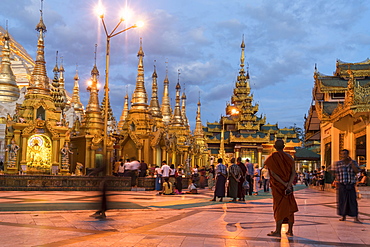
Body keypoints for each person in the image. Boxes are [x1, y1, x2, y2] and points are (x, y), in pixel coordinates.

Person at [265, 139, 298, 237]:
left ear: (274, 147)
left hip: (278, 186)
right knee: (289, 206)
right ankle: (290, 231)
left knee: (279, 207)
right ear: (284, 146)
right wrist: (288, 184)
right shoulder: (290, 157)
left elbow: (274, 174)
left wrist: (283, 184)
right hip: (288, 186)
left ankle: (278, 231)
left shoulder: (272, 158)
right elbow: (293, 172)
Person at [334, 149, 361, 223]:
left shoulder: (353, 162)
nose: (344, 155)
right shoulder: (338, 163)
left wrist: (351, 163)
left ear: (348, 154)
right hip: (342, 185)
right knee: (342, 201)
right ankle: (343, 216)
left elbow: (357, 171)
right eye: (342, 154)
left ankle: (356, 217)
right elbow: (334, 171)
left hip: (350, 184)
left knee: (352, 201)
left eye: (345, 154)